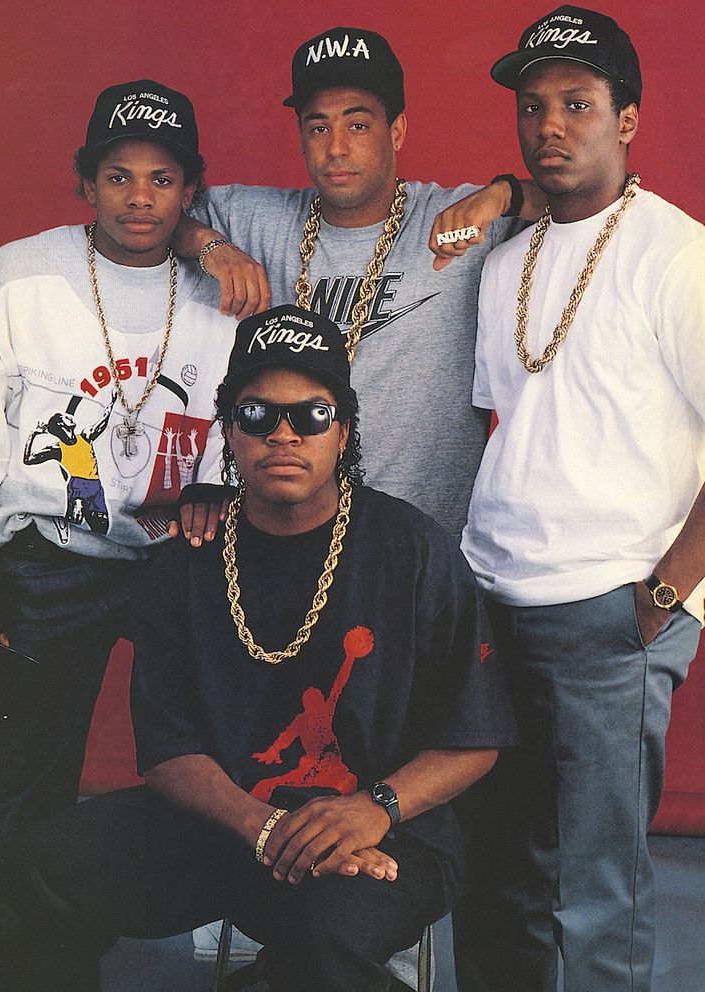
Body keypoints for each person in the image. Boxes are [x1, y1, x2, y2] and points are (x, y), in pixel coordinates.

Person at [7, 303, 518, 992]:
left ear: (342, 432)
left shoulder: (414, 550)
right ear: (229, 431)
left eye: (311, 415)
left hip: (388, 830)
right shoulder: (183, 563)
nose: (284, 434)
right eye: (256, 416)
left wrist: (374, 810)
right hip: (228, 825)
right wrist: (263, 827)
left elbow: (475, 738)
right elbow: (167, 752)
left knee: (324, 939)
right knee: (41, 865)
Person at [455, 7, 705, 991]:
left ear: (626, 119)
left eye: (576, 103)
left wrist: (664, 594)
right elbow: (503, 426)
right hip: (493, 602)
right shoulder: (506, 261)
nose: (550, 125)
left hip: (612, 609)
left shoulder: (674, 253)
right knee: (493, 875)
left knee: (599, 892)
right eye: (532, 106)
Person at [0, 79, 237, 989]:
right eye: (118, 177)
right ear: (85, 183)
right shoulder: (22, 274)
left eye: (162, 180)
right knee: (34, 781)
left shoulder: (218, 293)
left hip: (174, 558)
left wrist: (218, 495)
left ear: (190, 191)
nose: (139, 199)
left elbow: (240, 428)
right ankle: (35, 971)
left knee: (215, 752)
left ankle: (218, 925)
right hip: (48, 561)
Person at [176, 26, 548, 541]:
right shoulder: (261, 219)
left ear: (396, 131)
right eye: (318, 127)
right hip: (292, 539)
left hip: (430, 544)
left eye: (358, 124)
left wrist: (501, 195)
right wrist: (213, 248)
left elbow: (573, 196)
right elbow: (157, 212)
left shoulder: (456, 218)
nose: (336, 149)